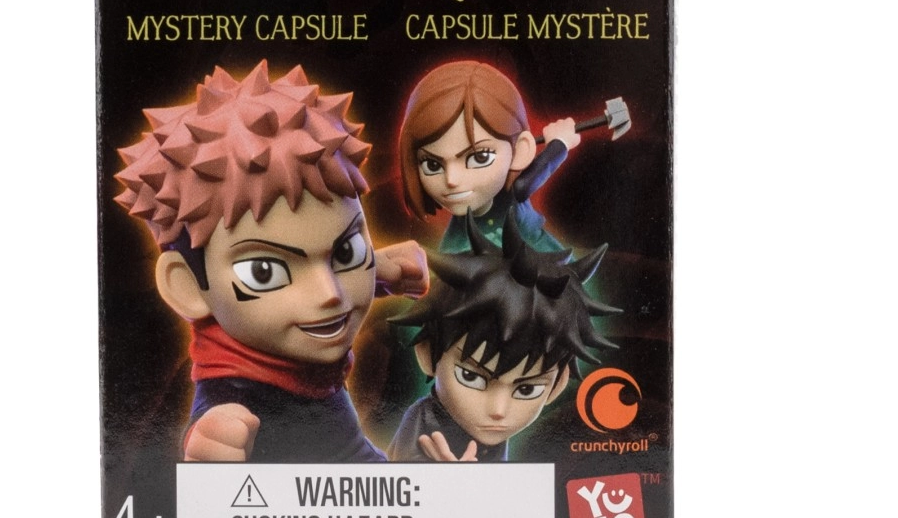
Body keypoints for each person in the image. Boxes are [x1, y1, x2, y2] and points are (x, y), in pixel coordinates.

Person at [115, 61, 427, 463]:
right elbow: (214, 422)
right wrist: (209, 443)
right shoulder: (234, 393)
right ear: (188, 287)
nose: (329, 294)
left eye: (345, 251)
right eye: (264, 272)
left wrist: (376, 268)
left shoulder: (307, 313)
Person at [388, 209, 618, 462]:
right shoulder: (424, 421)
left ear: (557, 385)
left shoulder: (492, 439)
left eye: (527, 389)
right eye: (470, 377)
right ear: (426, 353)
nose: (498, 411)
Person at [398, 60, 579, 253]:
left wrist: (560, 142)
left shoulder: (514, 190)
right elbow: (449, 252)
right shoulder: (461, 223)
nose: (452, 180)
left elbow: (531, 178)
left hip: (533, 250)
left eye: (480, 157)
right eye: (432, 165)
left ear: (521, 151)